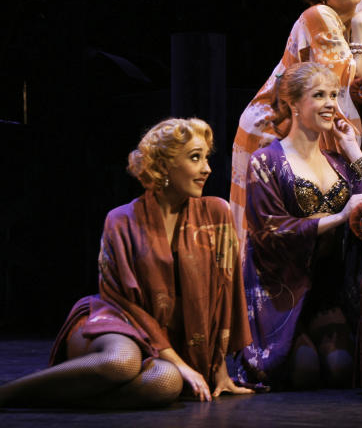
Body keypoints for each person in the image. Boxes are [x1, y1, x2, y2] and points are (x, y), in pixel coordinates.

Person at [0, 118, 251, 408]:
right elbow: (123, 301)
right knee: (123, 362)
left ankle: (74, 397)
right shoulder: (121, 219)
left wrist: (217, 370)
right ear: (165, 165)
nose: (206, 168)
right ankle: (7, 394)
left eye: (206, 157)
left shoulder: (215, 214)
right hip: (117, 321)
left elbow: (224, 293)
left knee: (166, 383)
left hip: (166, 347)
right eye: (195, 158)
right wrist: (176, 359)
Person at [230, 0, 362, 246]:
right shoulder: (320, 15)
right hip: (271, 127)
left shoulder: (348, 29)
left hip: (302, 132)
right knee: (265, 235)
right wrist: (361, 27)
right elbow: (352, 83)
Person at [240, 62, 362, 389]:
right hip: (282, 289)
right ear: (294, 104)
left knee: (339, 369)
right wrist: (339, 216)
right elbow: (270, 232)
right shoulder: (265, 161)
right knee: (304, 370)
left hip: (326, 292)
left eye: (333, 95)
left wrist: (352, 149)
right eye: (319, 95)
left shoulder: (337, 162)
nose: (330, 103)